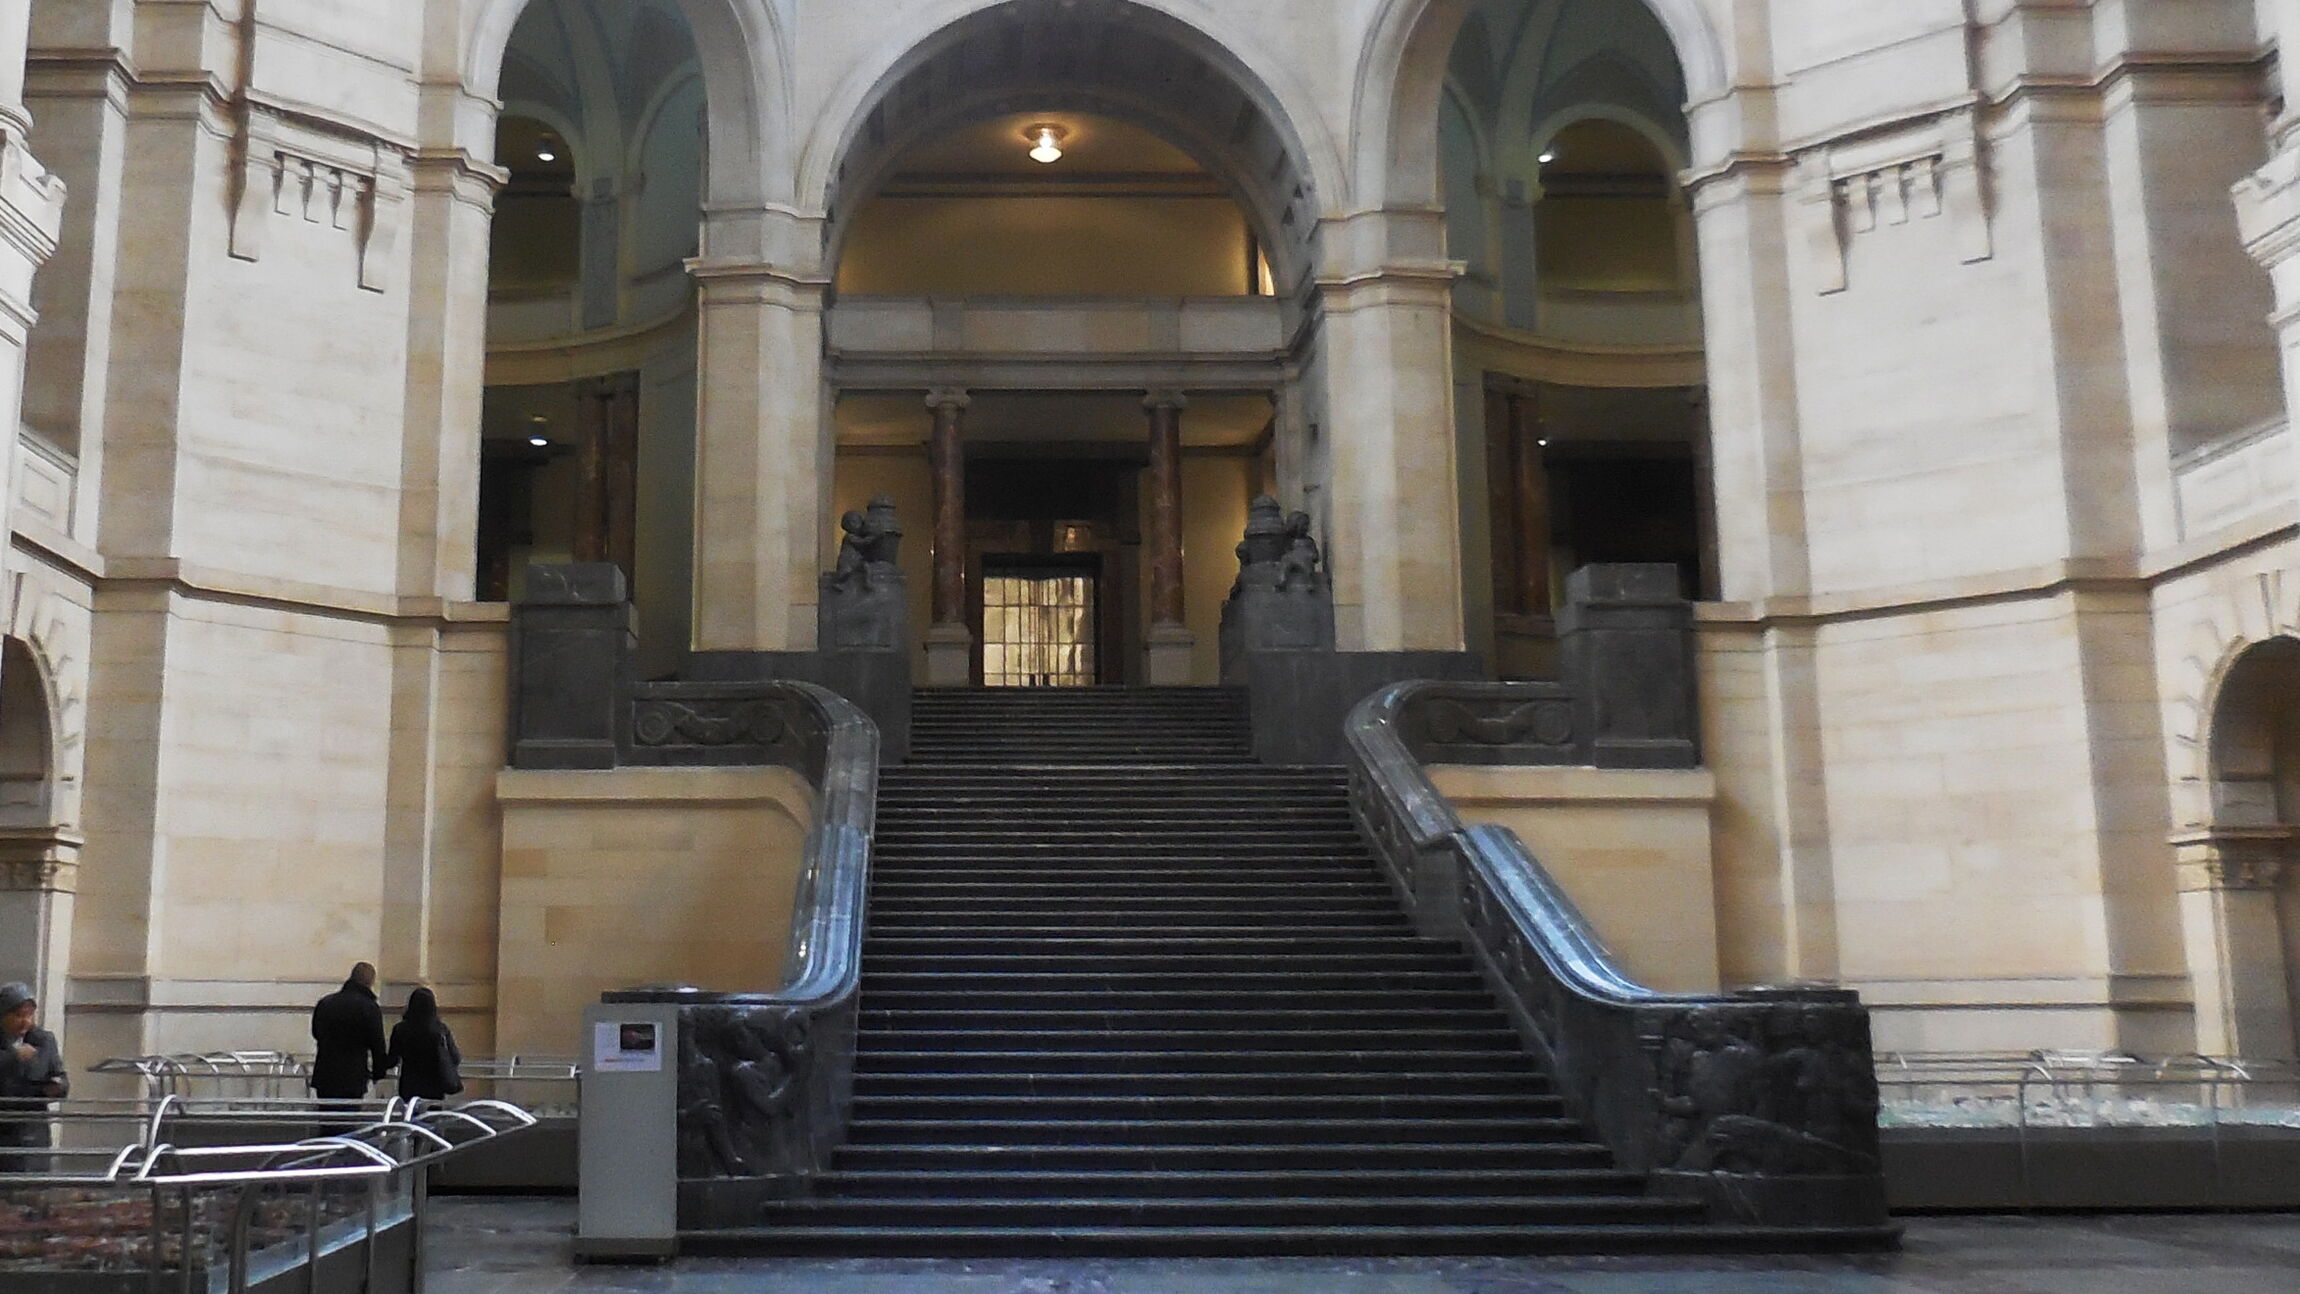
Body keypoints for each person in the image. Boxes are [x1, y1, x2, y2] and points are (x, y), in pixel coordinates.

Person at [0, 981, 67, 1173]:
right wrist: (13, 1057)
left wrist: (57, 1087)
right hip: (4, 1127)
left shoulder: (44, 1040)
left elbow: (60, 1076)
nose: (26, 1021)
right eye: (18, 1016)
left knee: (35, 1183)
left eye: (29, 1015)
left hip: (33, 1130)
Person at [309, 962, 388, 1102]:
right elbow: (377, 1044)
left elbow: (316, 1033)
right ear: (370, 982)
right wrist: (378, 1073)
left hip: (326, 1073)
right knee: (350, 1113)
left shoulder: (326, 1003)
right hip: (353, 1076)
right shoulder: (369, 1007)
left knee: (326, 1113)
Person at [381, 986, 462, 1102]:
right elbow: (455, 1057)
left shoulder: (401, 1029)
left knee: (410, 1112)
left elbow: (392, 1060)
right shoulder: (440, 1030)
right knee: (432, 1112)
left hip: (409, 1086)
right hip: (435, 1087)